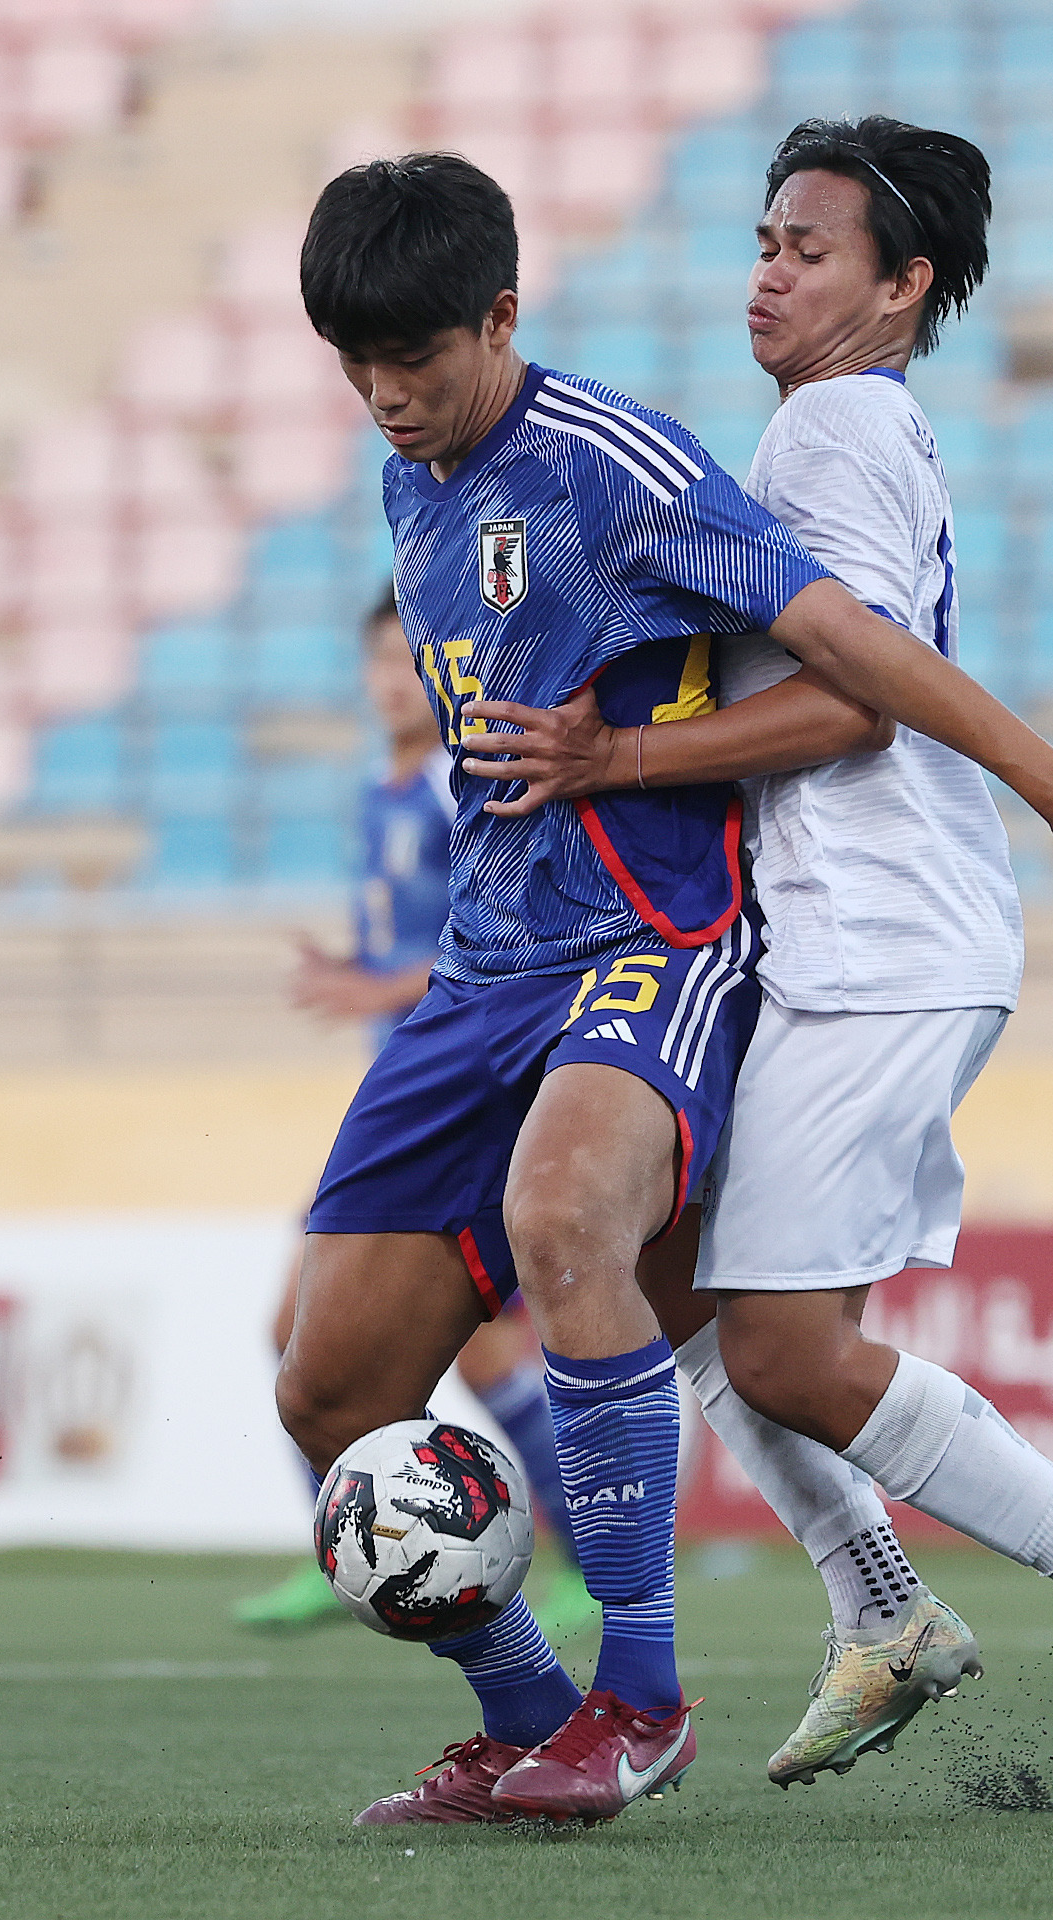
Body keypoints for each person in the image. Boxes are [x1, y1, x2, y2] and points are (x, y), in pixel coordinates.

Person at [278, 152, 1053, 1829]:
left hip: (656, 945)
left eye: (413, 356)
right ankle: (543, 1709)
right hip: (487, 973)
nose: (386, 394)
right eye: (356, 362)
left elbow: (853, 668)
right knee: (328, 1388)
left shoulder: (628, 464)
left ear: (500, 315)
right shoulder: (416, 476)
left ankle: (646, 1699)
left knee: (606, 1248)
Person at [233, 588, 597, 1643]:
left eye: (411, 660)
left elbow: (495, 941)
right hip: (400, 1104)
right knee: (423, 1351)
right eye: (380, 662)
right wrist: (360, 974)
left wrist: (381, 988)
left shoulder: (462, 782)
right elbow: (415, 948)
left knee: (408, 1346)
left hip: (465, 1104)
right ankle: (355, 1546)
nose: (395, 680)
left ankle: (557, 1564)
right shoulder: (381, 793)